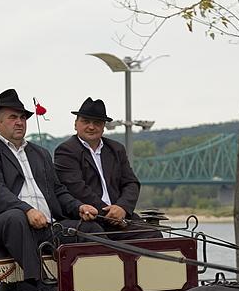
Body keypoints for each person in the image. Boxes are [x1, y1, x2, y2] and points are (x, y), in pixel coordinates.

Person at [0, 88, 103, 291]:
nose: (20, 122)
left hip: (46, 225)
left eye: (23, 117)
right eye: (13, 117)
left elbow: (58, 191)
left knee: (90, 228)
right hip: (0, 228)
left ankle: (95, 290)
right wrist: (27, 210)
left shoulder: (40, 154)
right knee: (15, 217)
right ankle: (45, 288)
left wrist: (79, 207)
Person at [53, 97, 159, 240]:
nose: (91, 127)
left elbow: (131, 183)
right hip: (88, 218)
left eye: (97, 122)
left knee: (153, 234)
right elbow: (77, 189)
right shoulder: (66, 150)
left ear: (104, 126)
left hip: (121, 217)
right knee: (98, 237)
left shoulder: (116, 149)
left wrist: (122, 208)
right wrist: (110, 215)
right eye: (86, 122)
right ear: (75, 124)